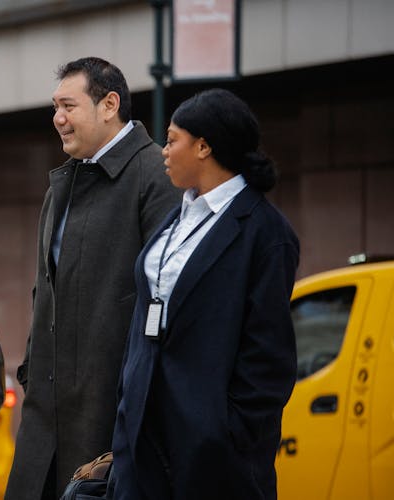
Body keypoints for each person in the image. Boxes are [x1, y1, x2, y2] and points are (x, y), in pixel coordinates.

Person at [109, 88, 299, 499]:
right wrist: (128, 402)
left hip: (210, 454)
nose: (164, 150)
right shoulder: (176, 218)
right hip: (141, 438)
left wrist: (227, 431)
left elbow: (270, 356)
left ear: (204, 146)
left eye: (173, 139)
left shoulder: (265, 232)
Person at [6, 57, 180, 500]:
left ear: (109, 104)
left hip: (109, 415)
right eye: (55, 107)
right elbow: (44, 290)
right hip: (46, 412)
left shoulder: (155, 176)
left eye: (69, 106)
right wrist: (31, 372)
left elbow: (168, 300)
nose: (58, 119)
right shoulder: (61, 185)